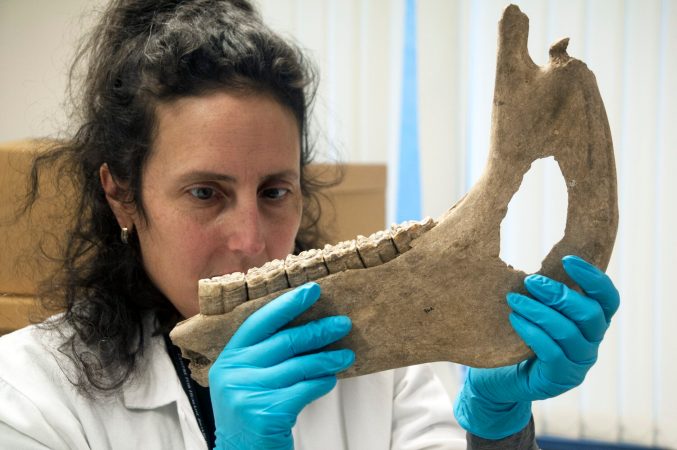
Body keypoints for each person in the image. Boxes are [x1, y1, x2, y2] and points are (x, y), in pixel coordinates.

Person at [0, 0, 620, 449]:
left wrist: (497, 422)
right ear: (121, 195)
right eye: (204, 193)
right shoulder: (27, 396)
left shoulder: (384, 368)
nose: (251, 239)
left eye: (275, 191)